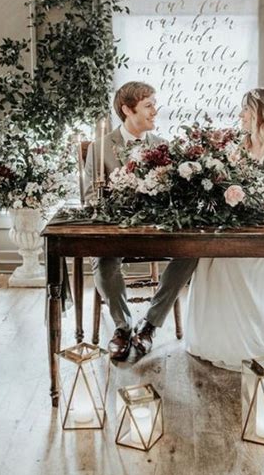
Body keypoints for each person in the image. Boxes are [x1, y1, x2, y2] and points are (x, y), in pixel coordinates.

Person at [184, 88, 264, 370]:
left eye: (245, 110)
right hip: (235, 223)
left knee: (244, 261)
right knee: (216, 260)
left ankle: (260, 342)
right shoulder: (238, 145)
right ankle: (221, 338)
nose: (240, 116)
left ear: (261, 112)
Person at [84, 81, 197, 361]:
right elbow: (90, 198)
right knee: (104, 260)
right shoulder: (100, 148)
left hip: (155, 230)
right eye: (148, 106)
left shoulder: (162, 147)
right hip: (116, 231)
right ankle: (123, 328)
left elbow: (173, 194)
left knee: (192, 254)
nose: (155, 111)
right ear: (127, 109)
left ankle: (149, 324)